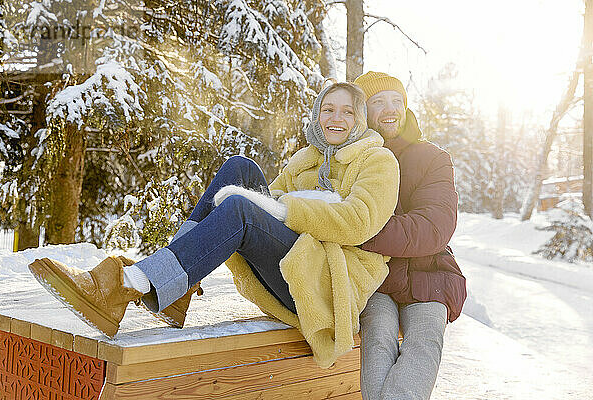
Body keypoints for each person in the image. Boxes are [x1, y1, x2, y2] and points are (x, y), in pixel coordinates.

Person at [28, 82, 400, 368]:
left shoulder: (377, 160)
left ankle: (127, 286)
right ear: (317, 115)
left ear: (360, 119)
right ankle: (180, 288)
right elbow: (271, 212)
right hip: (294, 261)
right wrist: (269, 204)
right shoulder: (306, 159)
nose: (336, 118)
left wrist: (281, 207)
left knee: (240, 206)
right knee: (239, 168)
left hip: (326, 282)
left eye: (347, 112)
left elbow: (358, 221)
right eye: (328, 109)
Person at [352, 71, 467, 400]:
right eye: (378, 102)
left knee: (425, 340)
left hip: (428, 275)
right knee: (378, 334)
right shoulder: (352, 157)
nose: (390, 109)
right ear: (363, 110)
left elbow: (433, 228)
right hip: (375, 277)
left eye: (397, 101)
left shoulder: (433, 158)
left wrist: (357, 231)